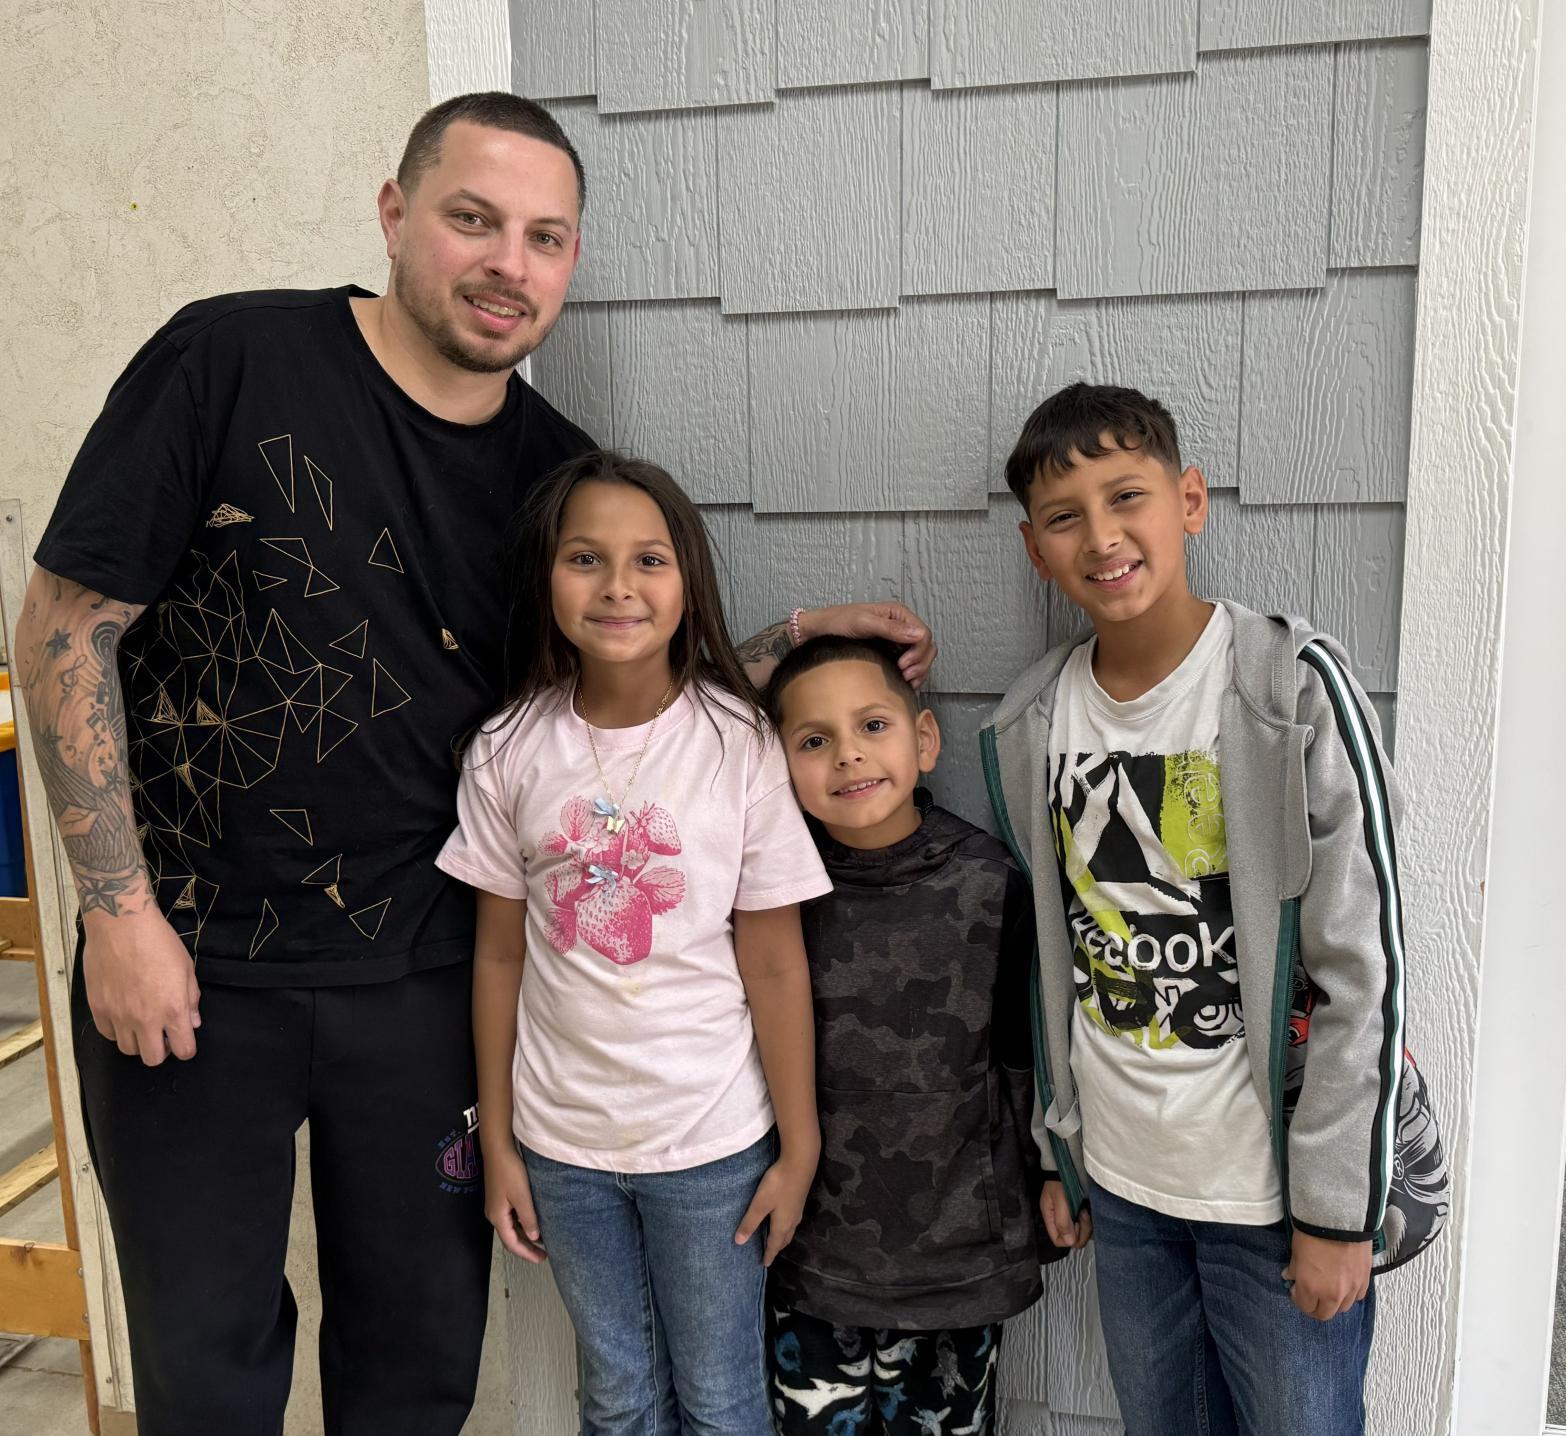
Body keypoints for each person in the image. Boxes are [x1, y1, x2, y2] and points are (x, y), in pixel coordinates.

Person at [11, 90, 933, 1435]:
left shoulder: (555, 482)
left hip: (429, 981)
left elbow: (613, 657)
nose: (510, 262)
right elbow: (62, 630)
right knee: (205, 1365)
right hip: (194, 967)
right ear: (396, 216)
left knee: (417, 1362)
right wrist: (116, 911)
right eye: (473, 219)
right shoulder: (229, 361)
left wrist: (790, 642)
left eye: (546, 237)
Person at [979, 383, 1449, 1436]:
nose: (1101, 536)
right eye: (1065, 516)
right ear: (1033, 549)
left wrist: (1336, 1209)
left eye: (1127, 496)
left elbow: (1362, 964)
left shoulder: (1290, 690)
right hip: (1131, 1188)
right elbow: (1057, 961)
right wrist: (1065, 1152)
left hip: (1275, 1202)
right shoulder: (1031, 722)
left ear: (1188, 499)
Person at [437, 452, 830, 1434]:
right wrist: (499, 1139)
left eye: (648, 558)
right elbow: (498, 955)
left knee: (721, 1398)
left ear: (687, 577)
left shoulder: (738, 742)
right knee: (616, 1396)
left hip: (710, 1144)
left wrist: (801, 1137)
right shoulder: (508, 750)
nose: (618, 585)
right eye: (586, 557)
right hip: (559, 1144)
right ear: (546, 578)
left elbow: (775, 958)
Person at [762, 635, 1048, 1436]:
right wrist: (803, 625)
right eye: (814, 741)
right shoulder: (775, 895)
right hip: (815, 1261)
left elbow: (1026, 1059)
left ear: (925, 739)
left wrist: (1055, 1176)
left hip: (955, 1262)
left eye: (873, 727)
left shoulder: (990, 884)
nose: (848, 757)